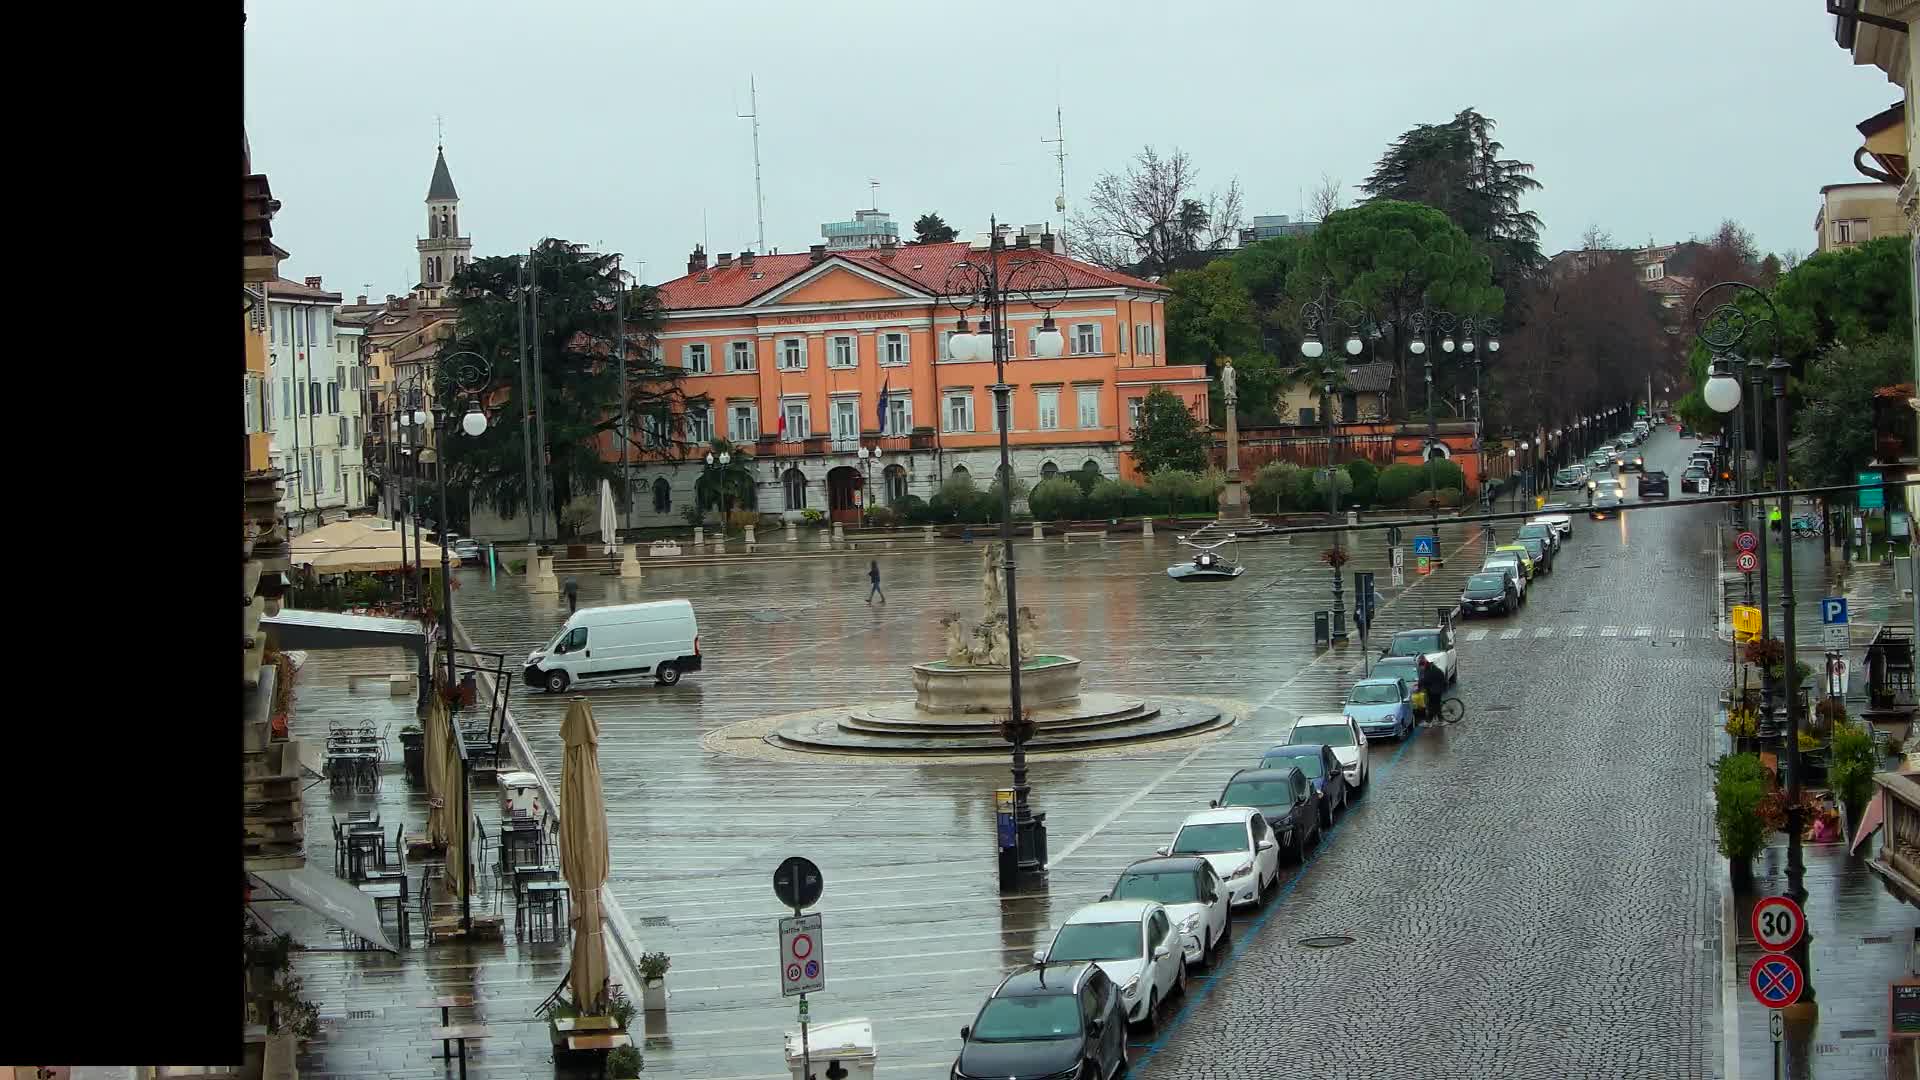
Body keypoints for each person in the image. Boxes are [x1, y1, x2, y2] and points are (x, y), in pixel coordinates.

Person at [1417, 656, 1448, 723]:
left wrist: (1419, 687)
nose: (1421, 668)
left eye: (1421, 666)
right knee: (1435, 705)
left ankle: (1431, 721)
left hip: (1436, 689)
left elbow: (1425, 680)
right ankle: (1439, 720)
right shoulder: (1430, 667)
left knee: (1433, 705)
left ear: (1423, 665)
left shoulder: (1429, 670)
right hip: (1436, 688)